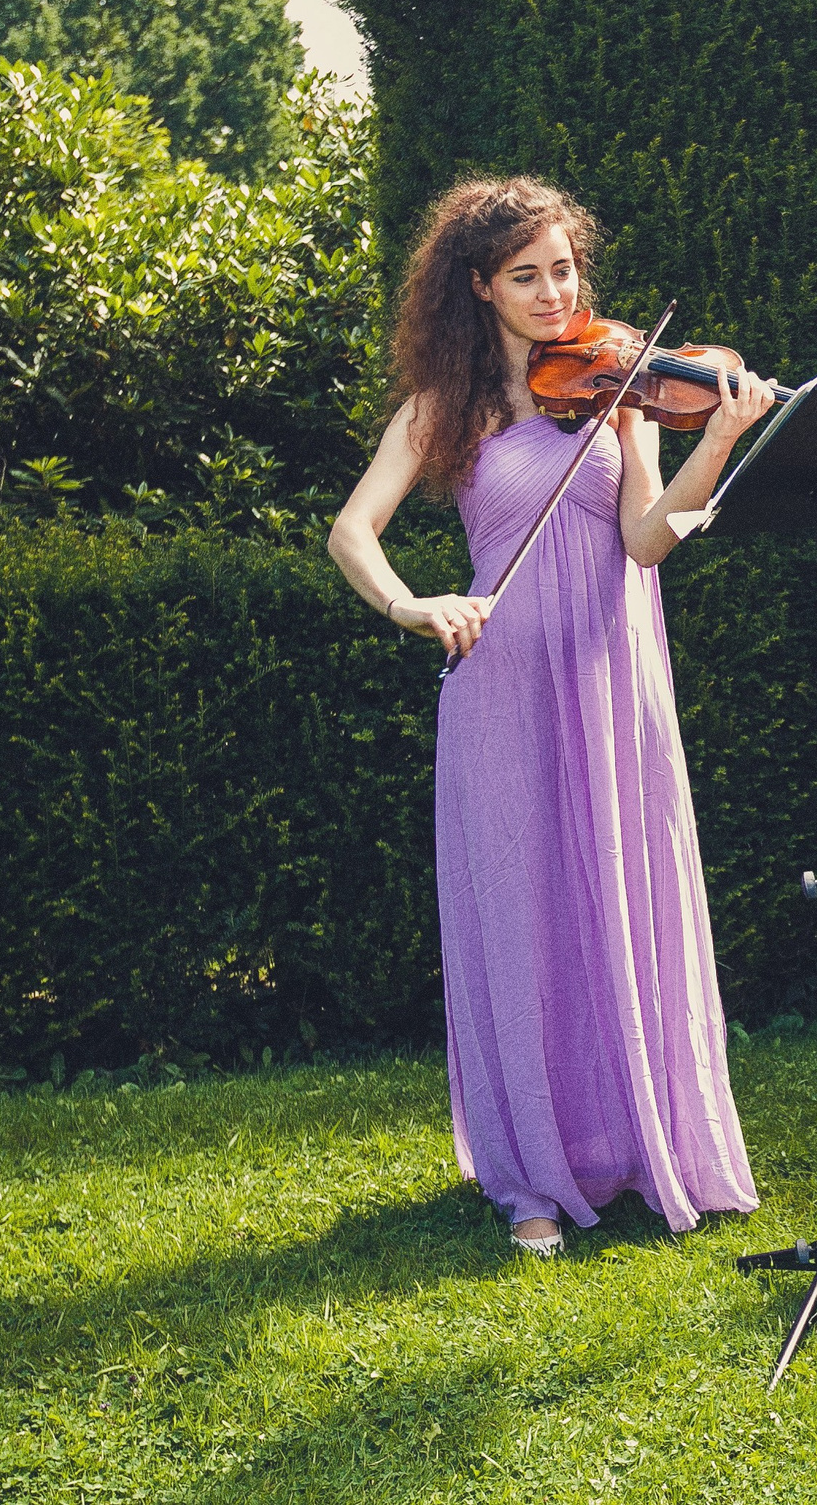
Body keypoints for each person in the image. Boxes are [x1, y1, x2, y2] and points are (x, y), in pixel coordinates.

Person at [328, 177, 777, 1253]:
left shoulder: (620, 389)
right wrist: (412, 601)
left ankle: (639, 1146)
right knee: (523, 916)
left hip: (613, 675)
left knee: (626, 894)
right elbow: (352, 530)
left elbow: (645, 539)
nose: (551, 292)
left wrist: (718, 438)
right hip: (502, 681)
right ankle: (531, 1176)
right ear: (479, 286)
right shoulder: (449, 407)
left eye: (564, 269)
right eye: (525, 275)